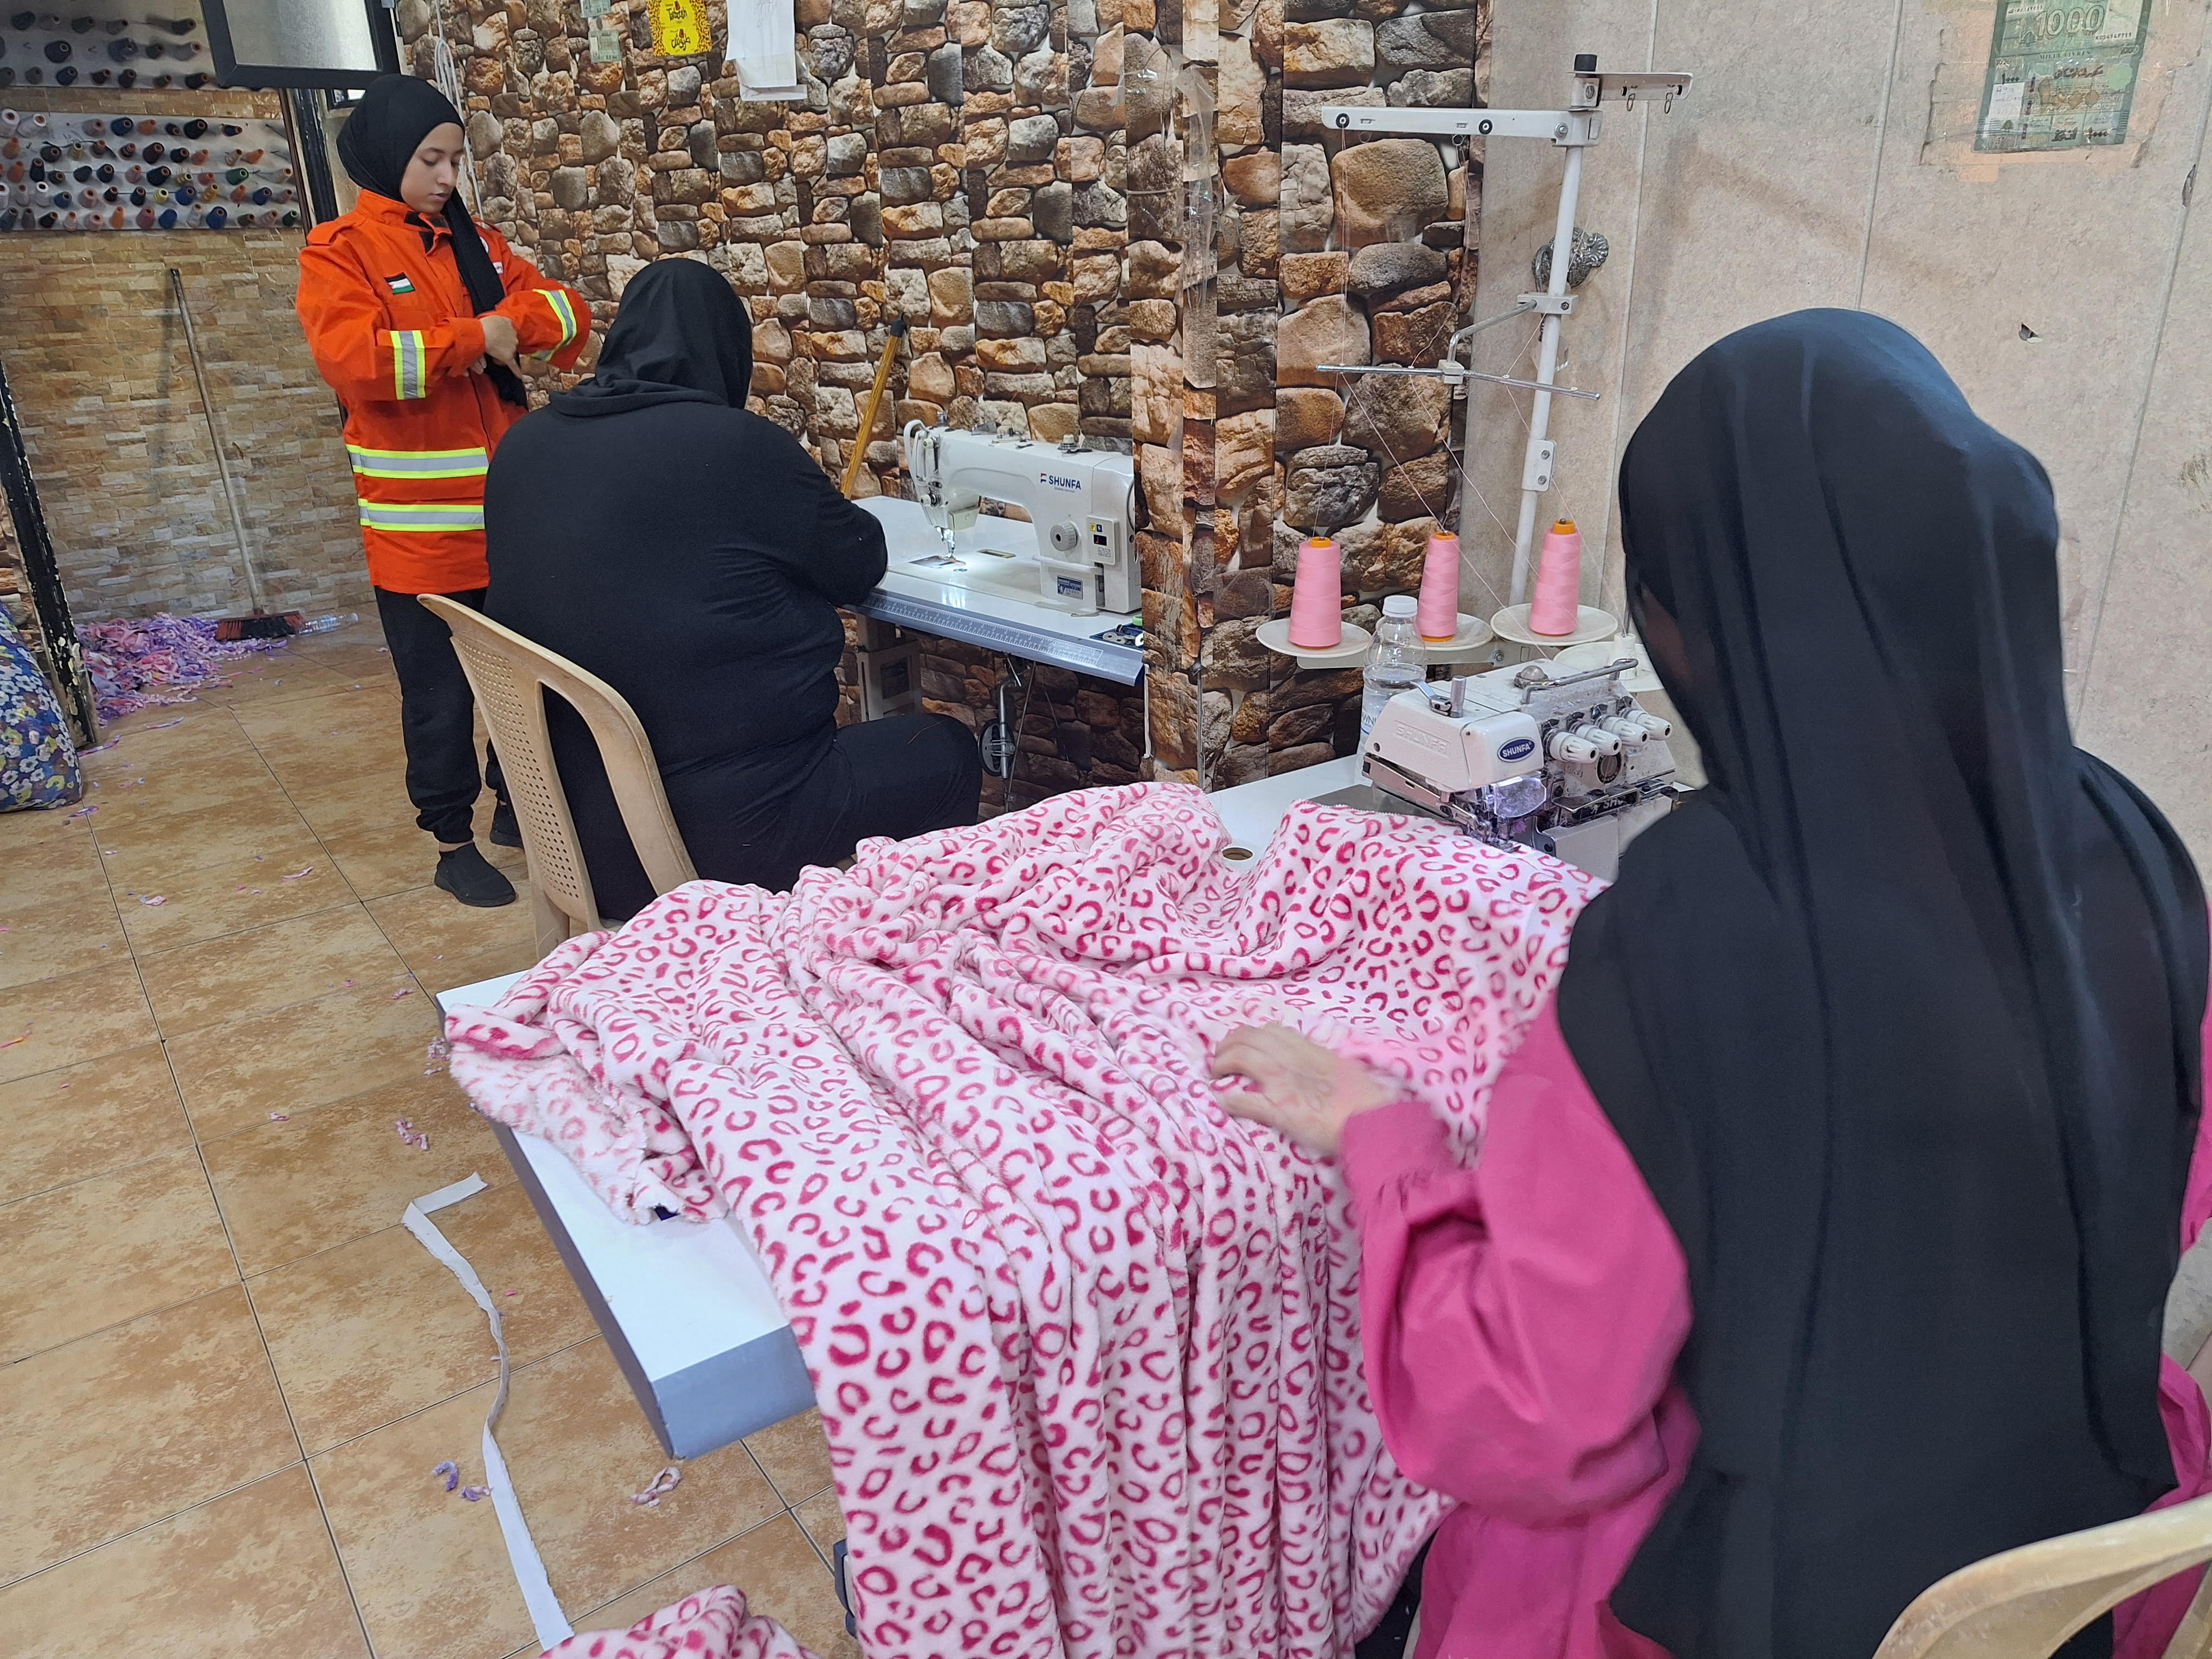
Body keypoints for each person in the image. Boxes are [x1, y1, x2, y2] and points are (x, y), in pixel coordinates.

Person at [1213, 310, 2212, 1659]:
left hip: (1734, 1603)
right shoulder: (2130, 850)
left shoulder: (1693, 924)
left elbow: (1530, 1407)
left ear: (1710, 630)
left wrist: (1382, 1137)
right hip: (2065, 1580)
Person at [483, 258, 981, 920]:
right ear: (725, 350)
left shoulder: (524, 448)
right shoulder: (737, 448)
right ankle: (902, 952)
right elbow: (859, 562)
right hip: (724, 841)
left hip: (569, 832)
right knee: (941, 752)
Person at [295, 74, 590, 907]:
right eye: (432, 159)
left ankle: (514, 809)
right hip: (418, 536)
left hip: (511, 521)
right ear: (388, 157)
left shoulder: (478, 246)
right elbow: (354, 361)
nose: (447, 178)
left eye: (456, 160)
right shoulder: (340, 252)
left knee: (521, 672)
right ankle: (452, 838)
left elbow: (566, 313)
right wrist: (476, 337)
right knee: (438, 693)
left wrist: (510, 327)